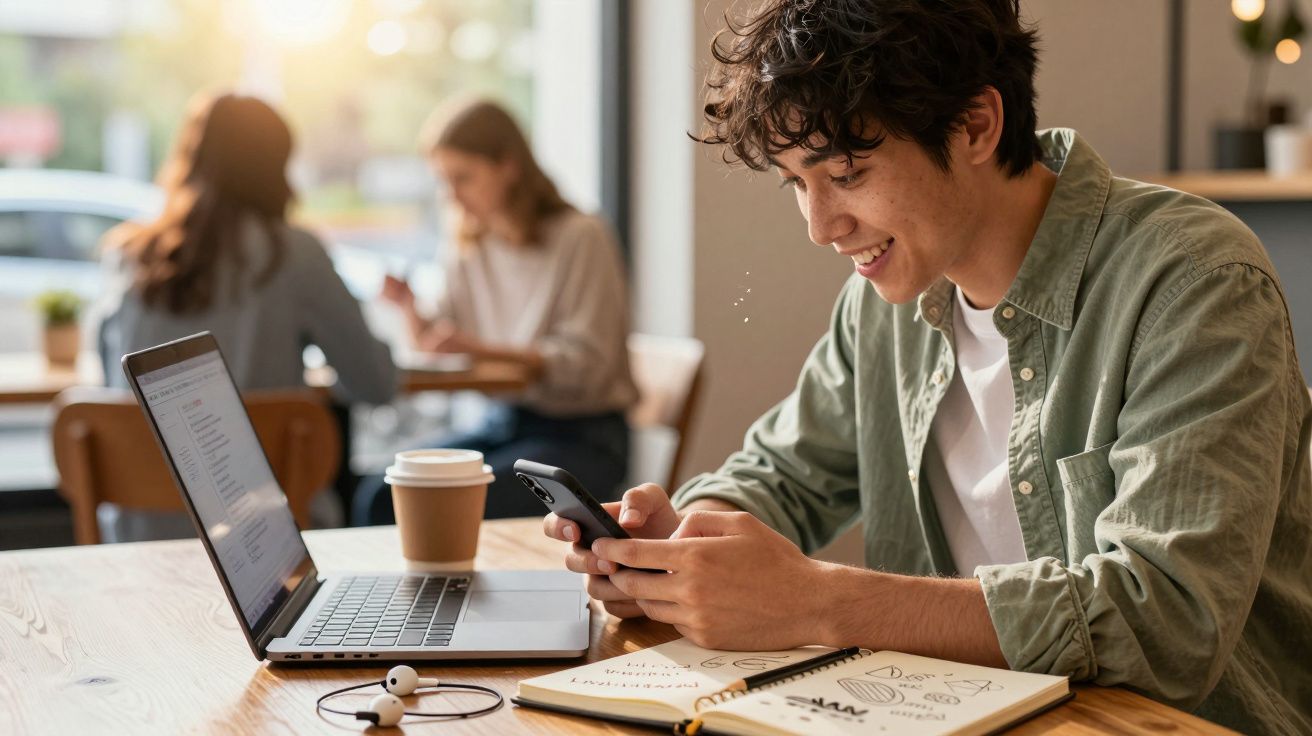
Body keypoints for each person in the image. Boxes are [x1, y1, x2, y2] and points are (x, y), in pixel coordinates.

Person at [541, 1, 1312, 733]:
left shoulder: (1191, 282)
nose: (820, 227)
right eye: (796, 185)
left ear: (976, 124)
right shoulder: (882, 303)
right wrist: (675, 550)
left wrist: (819, 602)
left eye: (844, 174)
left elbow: (1166, 619)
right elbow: (784, 476)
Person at [95, 92, 397, 540]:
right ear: (277, 166)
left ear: (190, 158)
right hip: (268, 541)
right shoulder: (293, 255)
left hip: (140, 543)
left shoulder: (130, 255)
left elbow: (111, 382)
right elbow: (376, 383)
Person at [353, 99, 637, 523]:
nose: (452, 196)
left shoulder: (581, 236)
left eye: (463, 178)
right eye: (443, 181)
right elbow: (438, 342)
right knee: (382, 494)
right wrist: (408, 305)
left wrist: (479, 349)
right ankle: (405, 593)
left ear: (508, 166)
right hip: (506, 424)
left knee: (434, 507)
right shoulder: (470, 244)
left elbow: (587, 365)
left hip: (583, 438)